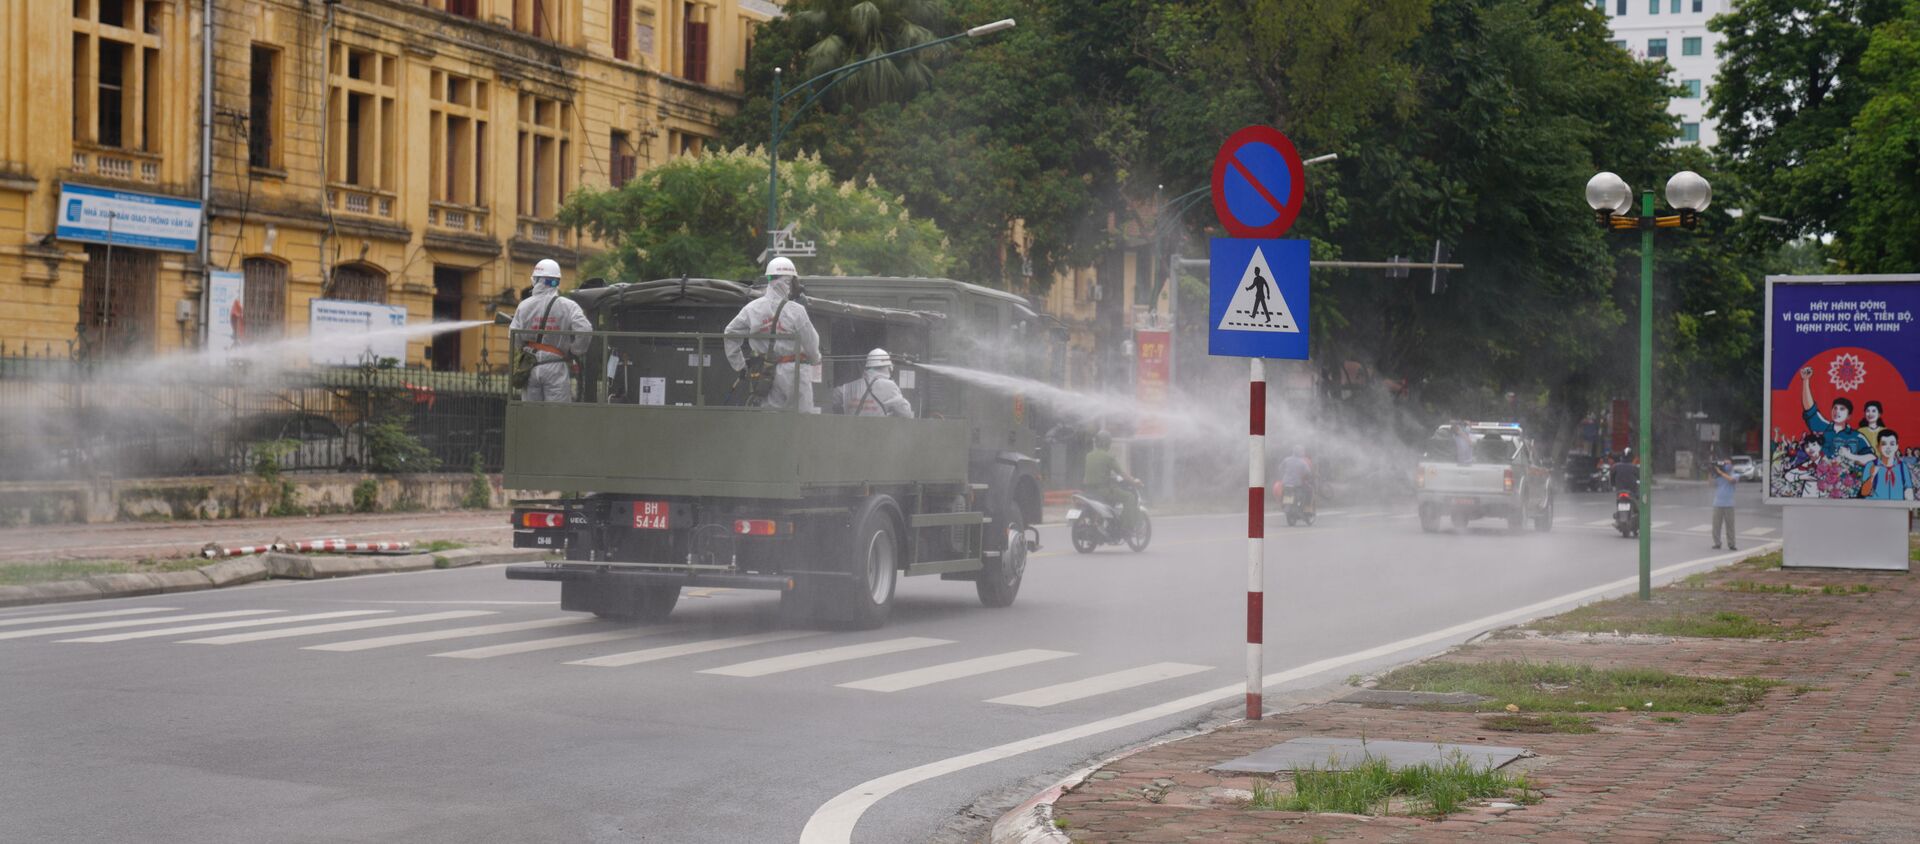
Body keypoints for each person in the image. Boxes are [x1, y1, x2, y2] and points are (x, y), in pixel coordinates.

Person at [725, 257, 821, 411]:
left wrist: (740, 366)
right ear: (788, 281)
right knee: (802, 420)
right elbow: (811, 342)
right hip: (795, 371)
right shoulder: (796, 311)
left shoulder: (752, 309)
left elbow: (730, 333)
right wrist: (816, 359)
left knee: (768, 418)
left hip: (764, 372)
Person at [509, 258, 591, 402]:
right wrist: (575, 350)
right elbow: (585, 330)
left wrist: (523, 349)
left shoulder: (524, 306)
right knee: (557, 417)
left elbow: (513, 335)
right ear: (557, 281)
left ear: (535, 280)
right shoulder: (568, 306)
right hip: (555, 366)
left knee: (532, 416)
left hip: (530, 367)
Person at [1799, 366, 1874, 463]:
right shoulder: (1823, 426)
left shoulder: (1857, 436)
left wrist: (1850, 456)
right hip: (1819, 474)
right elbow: (1810, 409)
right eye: (1835, 408)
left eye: (1842, 409)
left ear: (1849, 416)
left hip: (1846, 476)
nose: (1837, 411)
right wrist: (1805, 381)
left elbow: (1872, 457)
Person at [1082, 430, 1139, 530]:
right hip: (1104, 492)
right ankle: (1125, 528)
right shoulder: (1108, 457)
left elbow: (1096, 472)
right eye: (1109, 442)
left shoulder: (1088, 456)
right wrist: (1134, 482)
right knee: (1129, 497)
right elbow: (1122, 473)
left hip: (1089, 492)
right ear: (1106, 443)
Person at [831, 348, 914, 418]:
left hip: (851, 435)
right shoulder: (889, 387)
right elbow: (906, 414)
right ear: (889, 368)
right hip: (876, 435)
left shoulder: (848, 388)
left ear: (868, 367)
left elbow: (829, 399)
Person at [1859, 429, 1917, 500]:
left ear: (1896, 447)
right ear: (1878, 447)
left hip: (1897, 509)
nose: (1888, 447)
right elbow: (1864, 492)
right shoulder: (1871, 465)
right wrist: (1872, 476)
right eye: (1884, 444)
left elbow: (1908, 490)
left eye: (1892, 444)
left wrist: (1909, 507)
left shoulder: (1902, 467)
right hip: (1875, 509)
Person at [1709, 456, 1738, 550]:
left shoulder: (1735, 474)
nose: (1726, 465)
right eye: (1725, 463)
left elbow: (1732, 480)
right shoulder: (1718, 476)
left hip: (1729, 504)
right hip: (1717, 503)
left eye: (1728, 463)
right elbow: (1711, 484)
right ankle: (1717, 543)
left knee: (1730, 526)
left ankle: (1731, 544)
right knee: (1716, 526)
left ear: (1732, 465)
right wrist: (1710, 472)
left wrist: (1721, 472)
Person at [1278, 445, 1313, 510]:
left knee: (1285, 492)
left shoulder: (1286, 459)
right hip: (1297, 484)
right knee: (1309, 490)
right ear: (1300, 453)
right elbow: (1308, 472)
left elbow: (1280, 468)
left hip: (1285, 483)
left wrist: (1283, 475)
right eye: (1302, 451)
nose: (1303, 453)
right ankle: (1307, 509)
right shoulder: (1302, 462)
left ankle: (1283, 504)